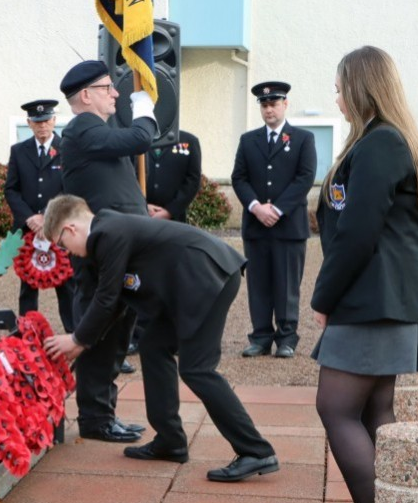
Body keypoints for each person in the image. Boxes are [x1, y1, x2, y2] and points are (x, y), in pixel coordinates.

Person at [307, 46, 418, 503]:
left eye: (340, 87)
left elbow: (359, 234)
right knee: (372, 411)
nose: (336, 96)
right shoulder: (380, 140)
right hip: (382, 300)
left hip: (371, 300)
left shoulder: (382, 143)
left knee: (335, 408)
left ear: (362, 87)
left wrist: (323, 298)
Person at [42, 195, 278, 481]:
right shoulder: (107, 231)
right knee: (153, 346)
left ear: (70, 229)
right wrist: (82, 341)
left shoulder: (107, 233)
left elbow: (107, 299)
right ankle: (170, 440)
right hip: (186, 286)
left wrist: (78, 340)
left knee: (197, 368)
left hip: (206, 277)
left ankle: (255, 450)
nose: (69, 253)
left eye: (63, 245)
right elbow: (114, 303)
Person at [58, 59, 157, 442]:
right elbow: (140, 139)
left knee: (117, 332)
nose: (115, 93)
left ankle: (103, 413)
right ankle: (95, 418)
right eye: (107, 88)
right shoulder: (83, 128)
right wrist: (144, 107)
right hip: (102, 247)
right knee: (100, 331)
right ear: (85, 95)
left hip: (119, 242)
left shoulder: (98, 128)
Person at [231, 81, 317, 359]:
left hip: (288, 226)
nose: (269, 109)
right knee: (258, 284)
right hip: (256, 226)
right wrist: (256, 207)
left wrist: (277, 209)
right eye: (264, 105)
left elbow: (305, 177)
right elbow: (239, 178)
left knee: (287, 284)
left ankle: (287, 338)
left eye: (274, 104)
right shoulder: (249, 140)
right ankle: (260, 337)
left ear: (285, 105)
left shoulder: (303, 139)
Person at [129, 129, 202, 355]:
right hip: (141, 219)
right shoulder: (134, 140)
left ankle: (175, 335)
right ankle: (137, 334)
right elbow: (125, 176)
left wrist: (170, 210)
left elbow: (192, 180)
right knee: (139, 278)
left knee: (174, 278)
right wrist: (141, 205)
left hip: (175, 222)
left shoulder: (189, 141)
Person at [4, 99, 75, 332]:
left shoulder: (68, 149)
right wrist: (30, 218)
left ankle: (74, 333)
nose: (42, 126)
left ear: (54, 121)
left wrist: (46, 216)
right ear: (29, 124)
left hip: (59, 228)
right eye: (37, 122)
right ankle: (26, 333)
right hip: (29, 230)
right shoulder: (19, 151)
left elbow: (71, 188)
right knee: (28, 284)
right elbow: (11, 189)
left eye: (46, 121)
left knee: (66, 284)